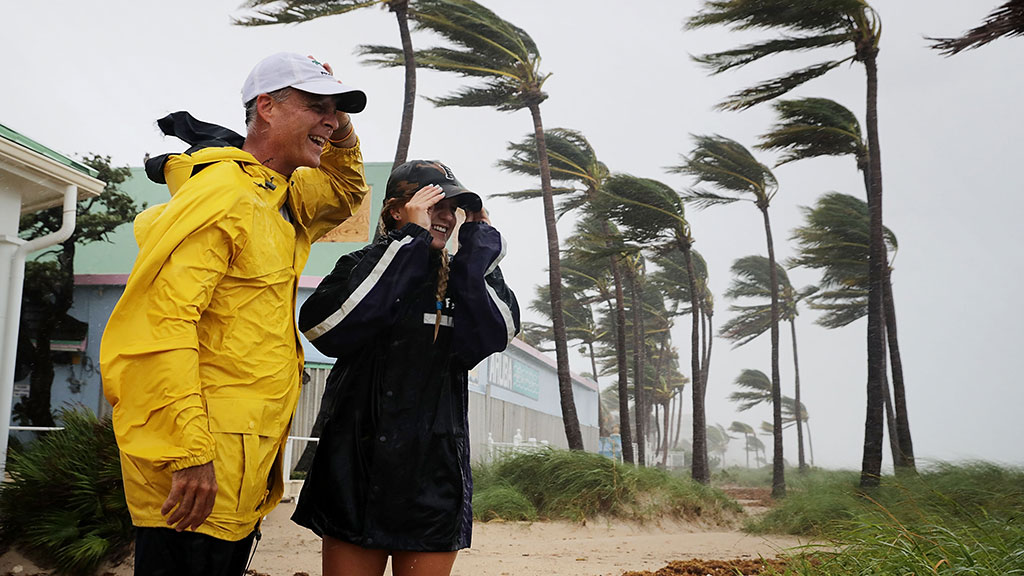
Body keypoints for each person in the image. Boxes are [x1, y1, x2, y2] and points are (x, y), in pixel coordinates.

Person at [99, 52, 370, 576]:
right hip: (198, 472)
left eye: (336, 111)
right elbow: (159, 327)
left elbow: (345, 193)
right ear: (266, 107)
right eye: (316, 106)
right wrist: (187, 451)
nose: (331, 122)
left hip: (237, 463)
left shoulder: (279, 193)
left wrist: (338, 125)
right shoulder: (223, 196)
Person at [292, 160, 521, 576]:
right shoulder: (360, 266)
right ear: (399, 210)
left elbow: (495, 334)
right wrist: (408, 244)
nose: (447, 217)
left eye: (454, 209)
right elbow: (326, 328)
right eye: (434, 204)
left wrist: (478, 246)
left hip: (432, 477)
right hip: (355, 471)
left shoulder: (463, 283)